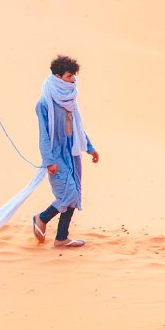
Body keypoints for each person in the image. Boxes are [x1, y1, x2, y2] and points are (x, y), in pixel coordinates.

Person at [30, 55, 100, 249]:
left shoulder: (70, 100)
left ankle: (62, 238)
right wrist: (49, 160)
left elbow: (78, 128)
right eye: (69, 76)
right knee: (68, 194)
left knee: (74, 195)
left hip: (72, 153)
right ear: (58, 76)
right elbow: (44, 136)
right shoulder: (44, 104)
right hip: (55, 155)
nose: (73, 80)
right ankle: (41, 218)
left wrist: (90, 147)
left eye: (74, 76)